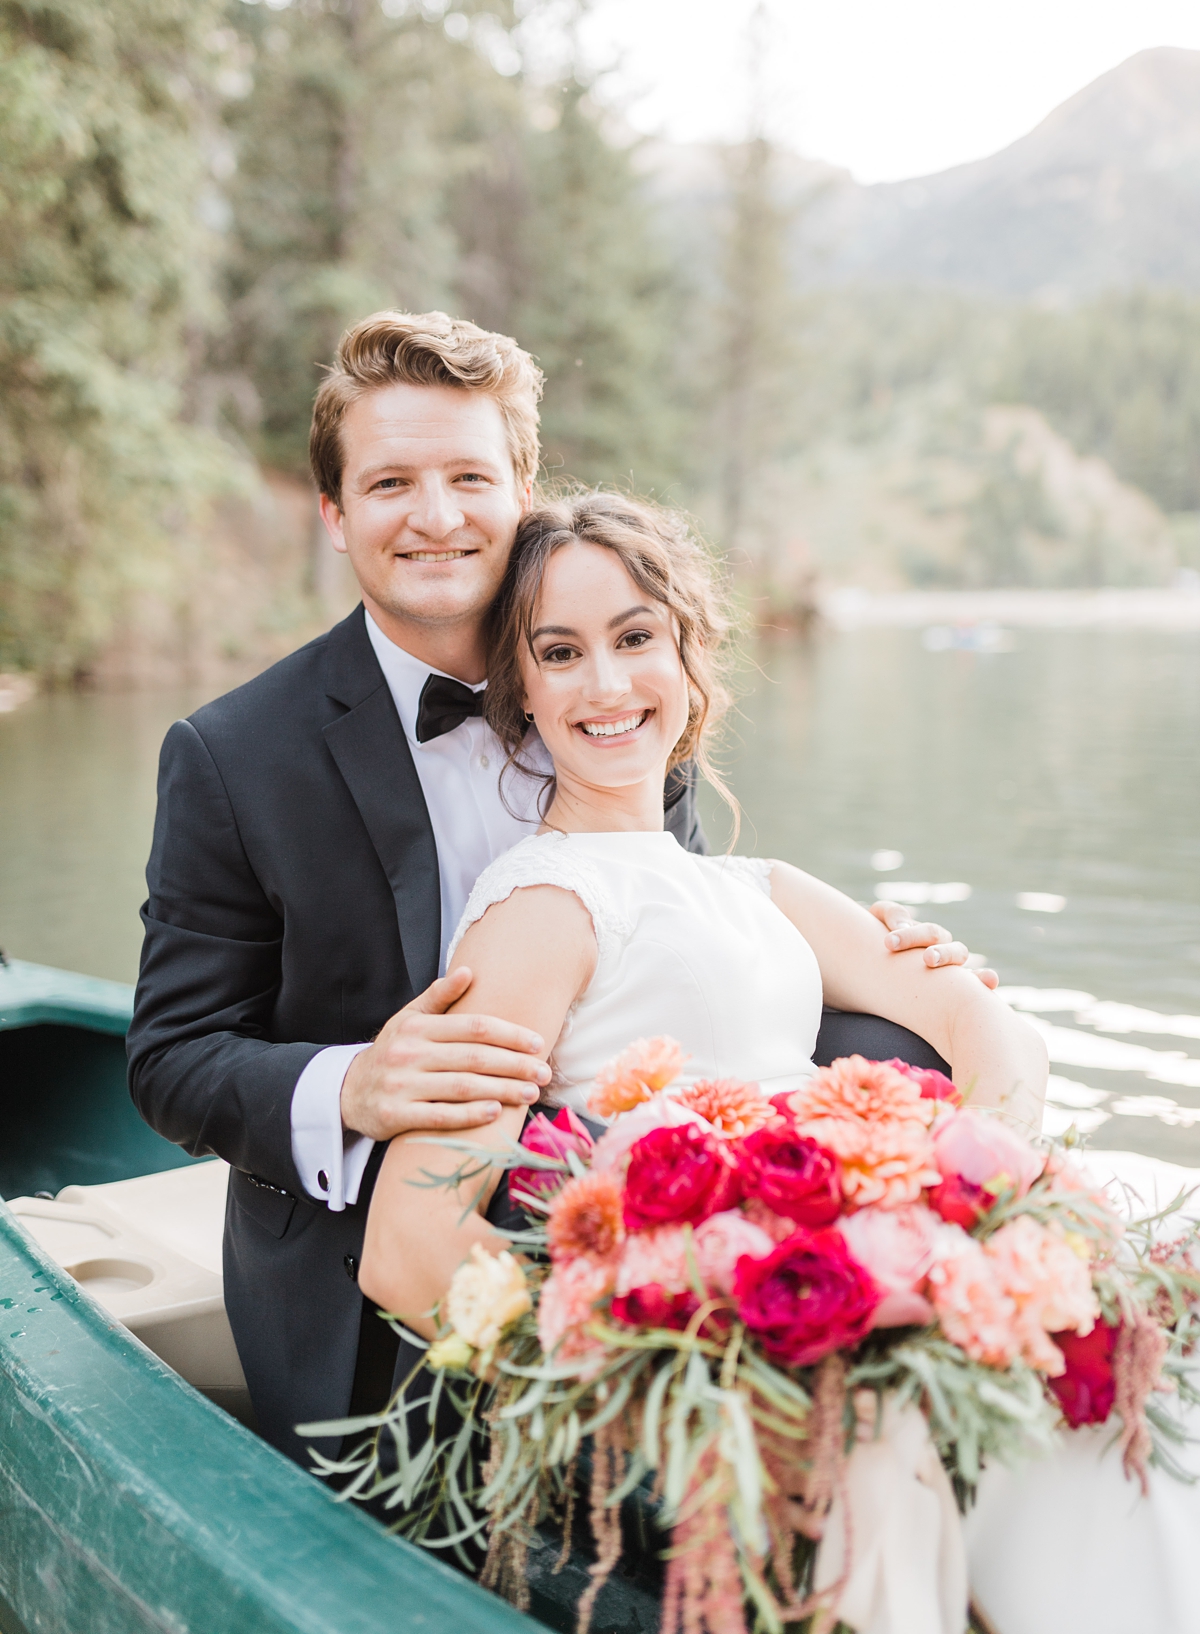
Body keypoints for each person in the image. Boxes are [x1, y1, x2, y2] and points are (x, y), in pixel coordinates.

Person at [127, 312, 988, 1463]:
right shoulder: (235, 755)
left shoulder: (615, 699)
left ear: (523, 485)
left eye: (469, 476)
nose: (436, 517)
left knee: (892, 1038)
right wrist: (354, 1086)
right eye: (390, 483)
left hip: (653, 1224)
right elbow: (172, 1055)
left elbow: (664, 953)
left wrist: (884, 962)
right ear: (334, 514)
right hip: (367, 1299)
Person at [359, 490, 1047, 1334]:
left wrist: (976, 1230)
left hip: (867, 1297)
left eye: (636, 637)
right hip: (713, 1352)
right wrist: (659, 1377)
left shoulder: (765, 888)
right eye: (562, 652)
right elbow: (408, 1247)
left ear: (690, 654)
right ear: (522, 691)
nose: (607, 683)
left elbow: (994, 1030)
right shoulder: (539, 907)